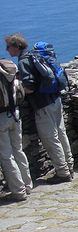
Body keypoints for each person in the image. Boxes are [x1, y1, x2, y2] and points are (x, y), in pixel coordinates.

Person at [5, 33, 73, 183]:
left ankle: (63, 173)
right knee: (61, 134)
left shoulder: (23, 62)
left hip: (42, 104)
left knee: (50, 139)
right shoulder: (34, 55)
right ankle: (70, 164)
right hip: (55, 98)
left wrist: (17, 89)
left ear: (16, 46)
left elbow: (29, 87)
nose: (6, 50)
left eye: (8, 47)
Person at [0, 56, 32, 202]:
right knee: (18, 150)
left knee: (6, 156)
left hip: (1, 118)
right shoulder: (9, 68)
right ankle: (27, 185)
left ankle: (19, 192)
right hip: (16, 114)